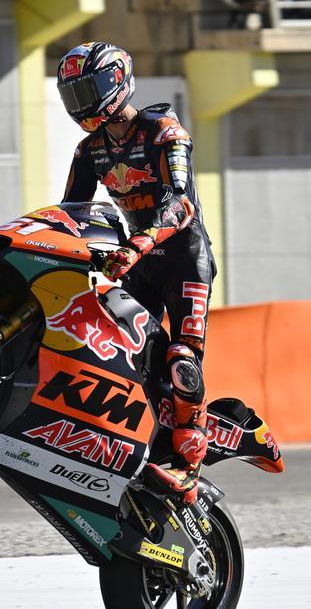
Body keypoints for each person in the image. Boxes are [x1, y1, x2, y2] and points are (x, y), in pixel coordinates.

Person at [56, 41, 216, 504]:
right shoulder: (88, 150)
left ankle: (189, 466)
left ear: (115, 81)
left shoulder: (165, 130)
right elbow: (74, 214)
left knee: (182, 359)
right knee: (129, 359)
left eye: (87, 88)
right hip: (136, 262)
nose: (81, 102)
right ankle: (148, 445)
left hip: (185, 257)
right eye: (72, 93)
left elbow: (181, 202)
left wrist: (139, 243)